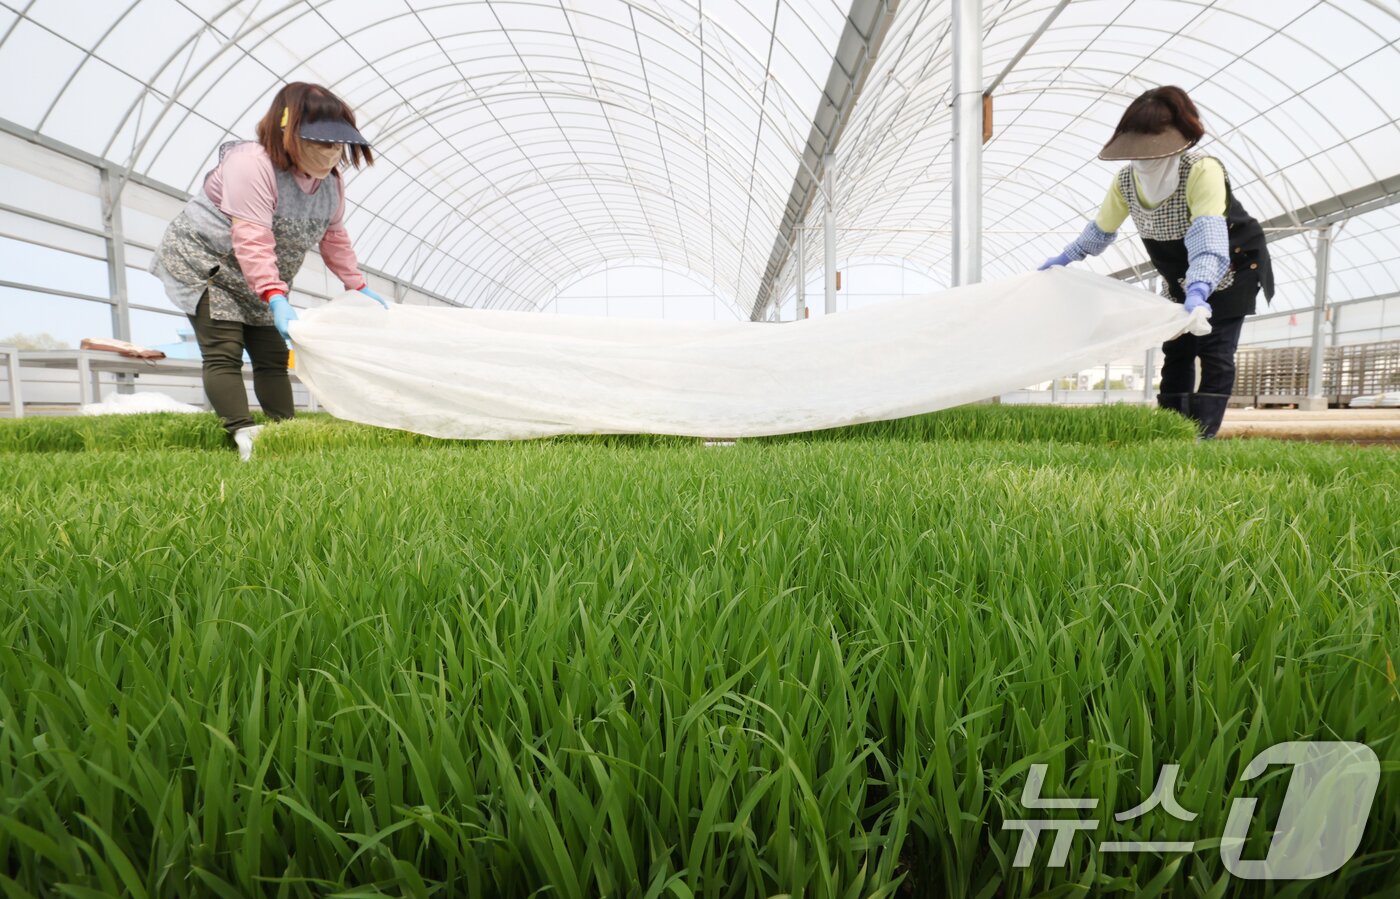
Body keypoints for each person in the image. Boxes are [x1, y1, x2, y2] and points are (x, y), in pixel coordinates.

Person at [150, 82, 389, 459]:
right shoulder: (251, 164)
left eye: (338, 145)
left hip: (261, 275)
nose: (331, 155)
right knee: (223, 349)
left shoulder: (331, 184)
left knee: (272, 356)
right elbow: (251, 236)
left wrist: (355, 283)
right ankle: (241, 435)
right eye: (320, 143)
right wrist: (274, 295)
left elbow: (334, 235)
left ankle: (283, 436)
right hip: (208, 266)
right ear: (287, 132)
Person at [1039, 86, 1273, 438]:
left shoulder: (1201, 170)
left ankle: (1203, 436)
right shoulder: (1127, 181)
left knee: (1215, 351)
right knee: (1177, 348)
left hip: (1231, 268)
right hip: (1181, 277)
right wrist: (1068, 256)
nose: (1145, 158)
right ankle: (1173, 432)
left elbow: (1207, 237)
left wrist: (1199, 287)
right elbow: (1102, 229)